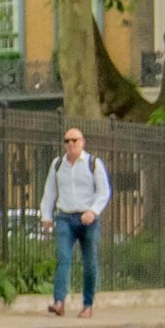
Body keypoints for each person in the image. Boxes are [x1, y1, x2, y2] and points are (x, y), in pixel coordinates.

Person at [44, 127, 111, 314]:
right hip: (65, 217)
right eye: (67, 141)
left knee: (89, 262)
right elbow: (50, 191)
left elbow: (104, 192)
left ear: (83, 142)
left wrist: (93, 211)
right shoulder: (58, 165)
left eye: (74, 140)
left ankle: (87, 305)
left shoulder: (93, 163)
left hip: (88, 219)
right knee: (63, 258)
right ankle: (59, 302)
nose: (71, 144)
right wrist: (46, 217)